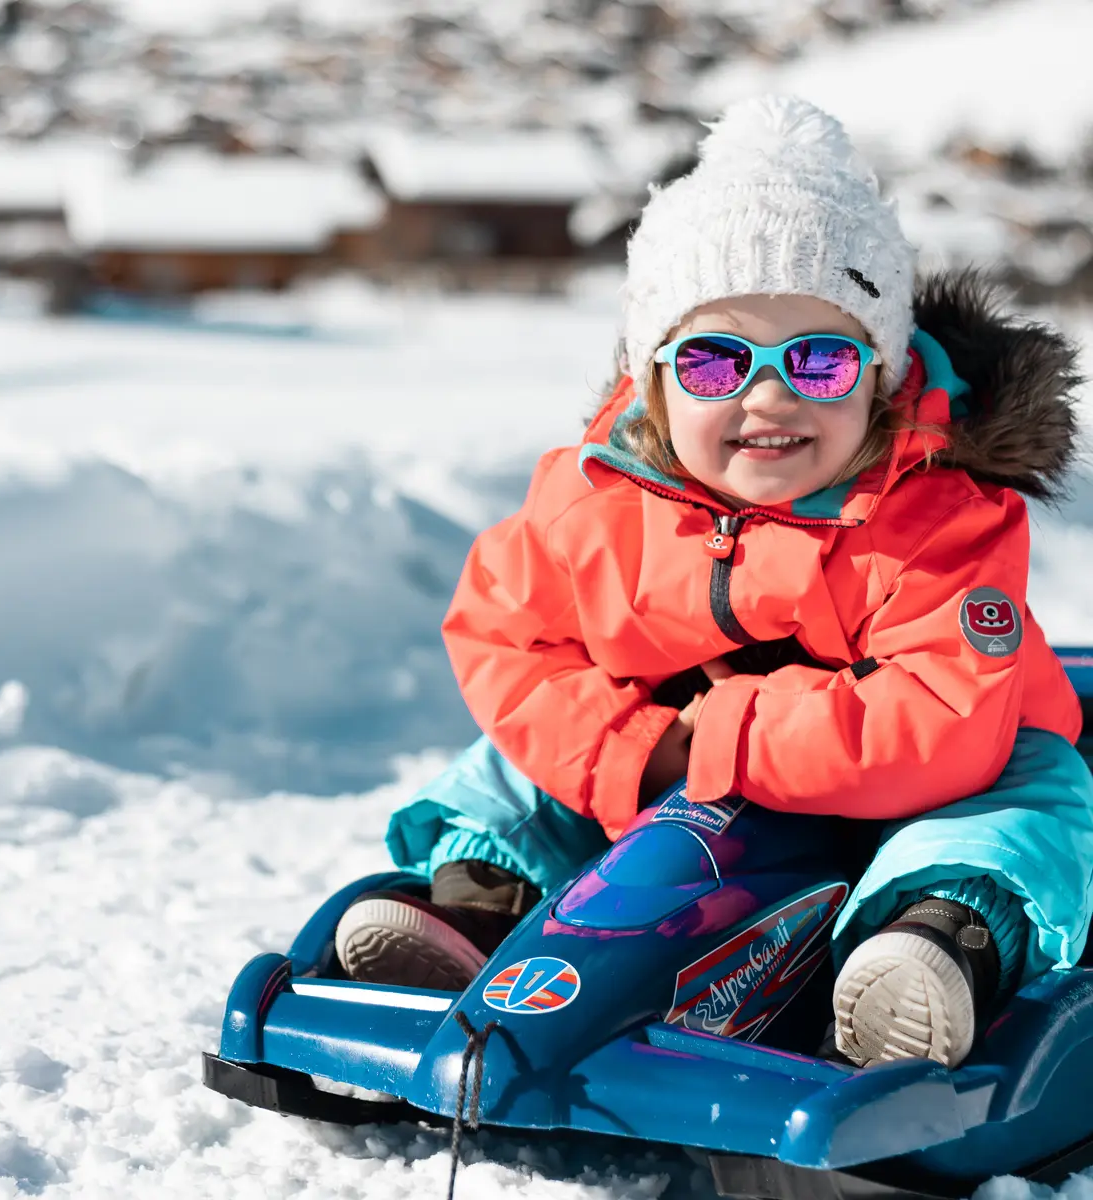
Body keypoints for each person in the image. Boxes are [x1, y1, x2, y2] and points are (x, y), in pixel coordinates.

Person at [333, 95, 1093, 1070]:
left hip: (915, 786)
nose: (766, 397)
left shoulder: (937, 518)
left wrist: (720, 738)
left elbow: (940, 723)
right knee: (511, 764)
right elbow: (505, 639)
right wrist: (642, 748)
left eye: (819, 360)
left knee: (1033, 796)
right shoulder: (595, 501)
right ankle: (483, 909)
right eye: (715, 359)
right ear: (654, 380)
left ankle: (934, 945)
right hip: (670, 766)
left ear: (883, 378)